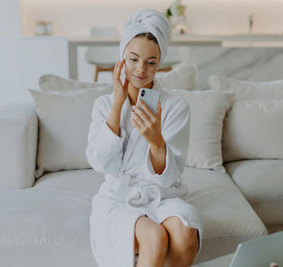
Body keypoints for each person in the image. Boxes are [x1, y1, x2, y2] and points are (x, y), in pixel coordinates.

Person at [87, 9, 203, 267]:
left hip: (164, 196)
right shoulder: (103, 105)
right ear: (121, 58)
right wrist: (118, 103)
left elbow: (171, 176)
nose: (141, 70)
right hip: (119, 197)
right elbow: (100, 164)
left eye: (151, 62)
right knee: (155, 237)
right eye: (133, 59)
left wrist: (156, 142)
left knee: (186, 234)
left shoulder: (176, 107)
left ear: (160, 63)